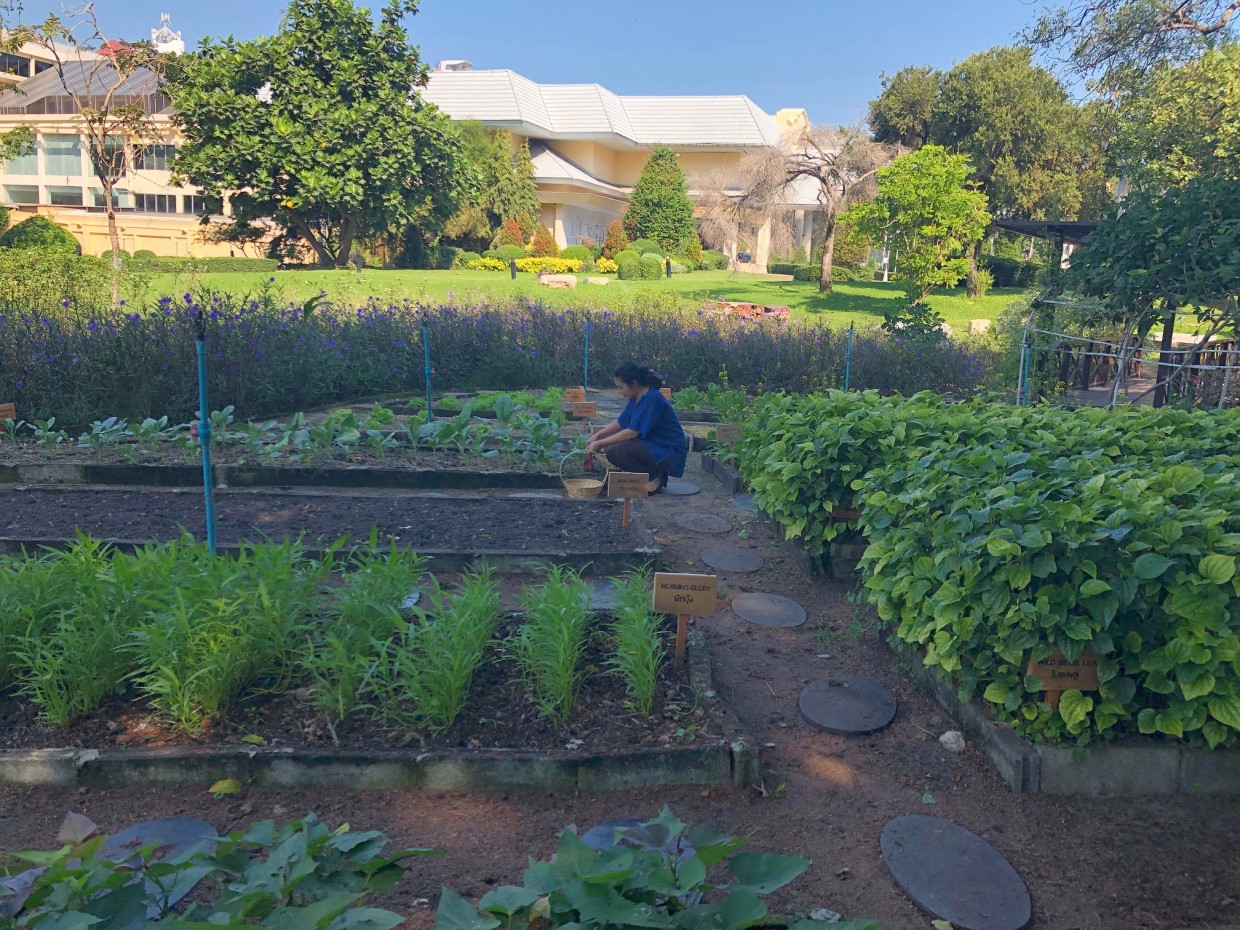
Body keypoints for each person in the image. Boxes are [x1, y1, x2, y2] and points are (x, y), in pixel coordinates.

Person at [586, 362, 688, 495]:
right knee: (610, 450)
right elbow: (621, 422)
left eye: (621, 387)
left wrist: (599, 443)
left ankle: (656, 479)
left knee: (621, 448)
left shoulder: (652, 398)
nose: (620, 392)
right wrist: (597, 436)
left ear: (633, 383)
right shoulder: (635, 398)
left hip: (668, 450)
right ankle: (644, 478)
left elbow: (631, 433)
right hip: (652, 446)